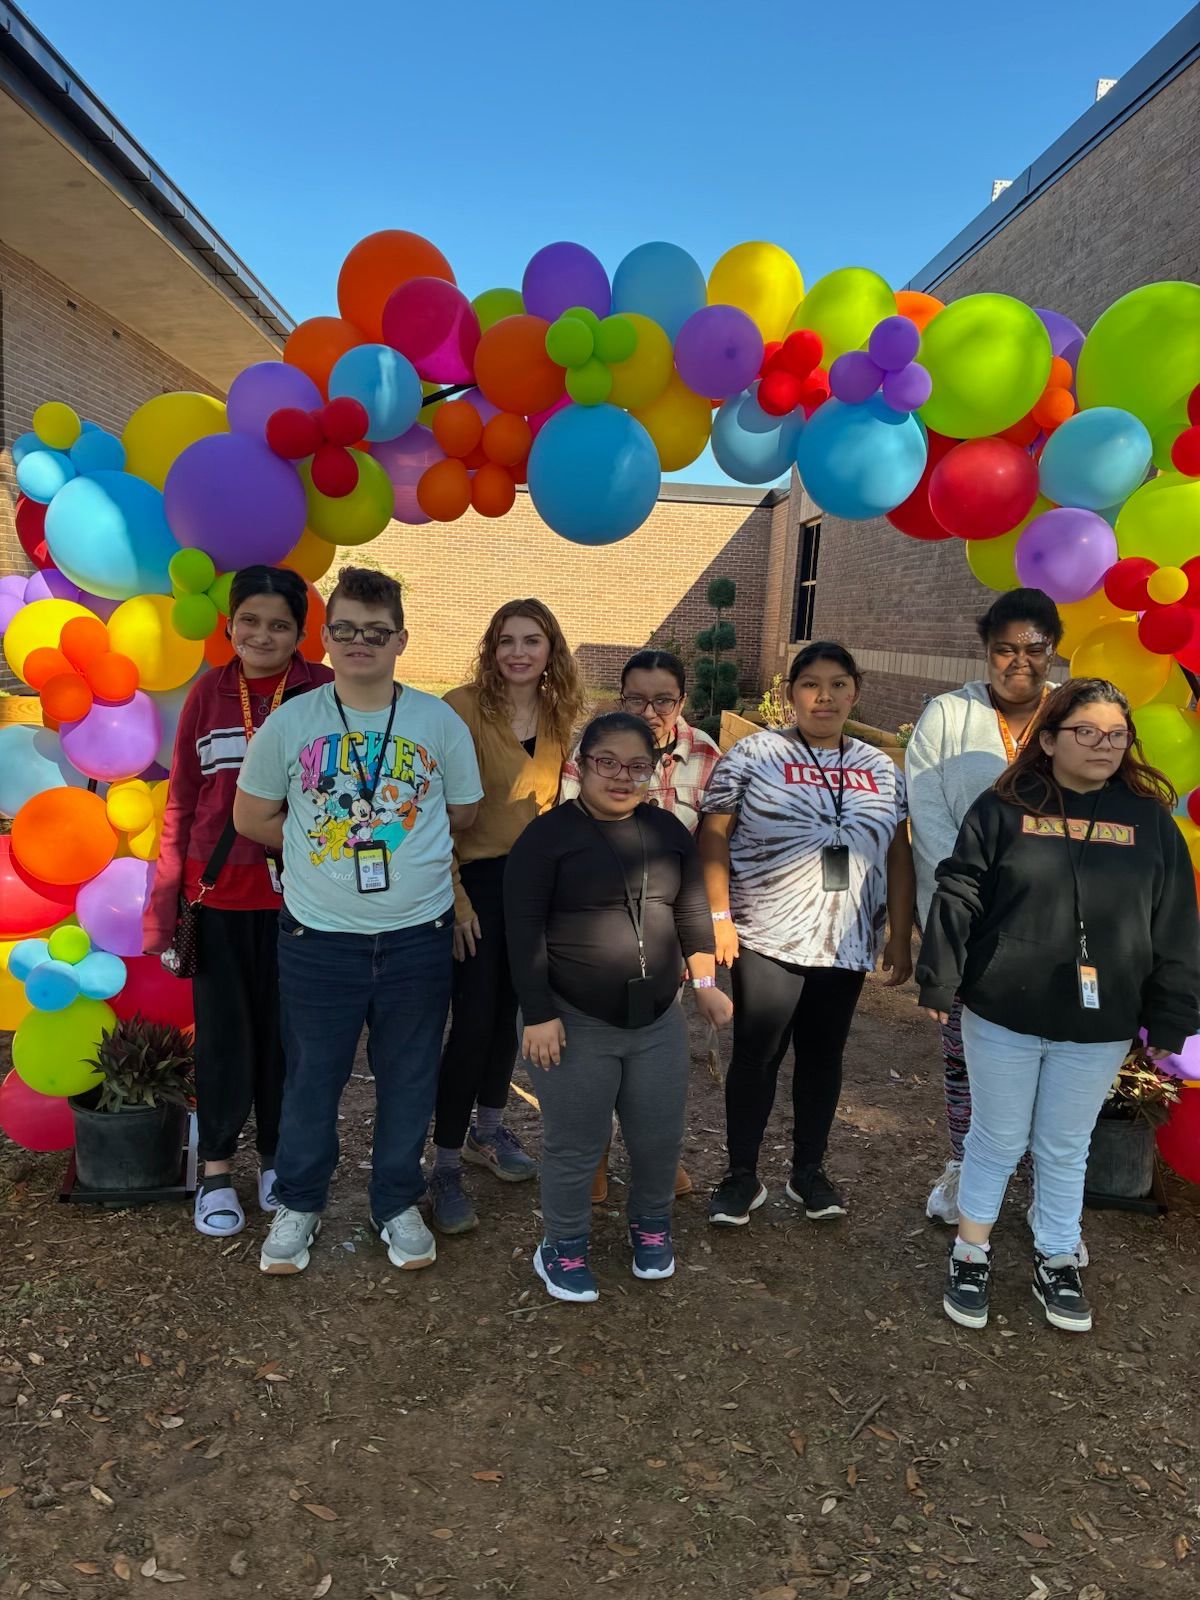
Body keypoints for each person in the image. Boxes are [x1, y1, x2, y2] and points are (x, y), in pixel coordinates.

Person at [917, 678, 1199, 1335]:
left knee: (1065, 1146)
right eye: (1086, 731)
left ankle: (1056, 1256)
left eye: (1116, 734)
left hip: (1099, 1021)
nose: (1103, 744)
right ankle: (970, 1251)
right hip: (1004, 1009)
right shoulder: (1003, 809)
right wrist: (940, 976)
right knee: (997, 1137)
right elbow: (959, 891)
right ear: (1048, 739)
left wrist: (1174, 1013)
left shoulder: (1149, 820)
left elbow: (1176, 922)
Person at [234, 566, 483, 1276]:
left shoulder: (438, 722)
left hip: (417, 939)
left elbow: (461, 813)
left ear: (401, 639)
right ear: (328, 636)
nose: (359, 643)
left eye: (376, 632)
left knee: (408, 1077)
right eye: (345, 630)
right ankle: (301, 1203)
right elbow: (252, 816)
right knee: (312, 1076)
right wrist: (320, 849)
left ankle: (395, 1201)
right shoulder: (293, 722)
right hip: (319, 941)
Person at [505, 712, 732, 1303]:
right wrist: (538, 1011)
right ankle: (563, 1243)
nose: (622, 776)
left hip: (656, 1020)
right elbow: (522, 926)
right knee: (576, 1142)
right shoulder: (547, 837)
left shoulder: (664, 830)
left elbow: (687, 910)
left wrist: (705, 981)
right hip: (572, 1018)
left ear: (654, 771)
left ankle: (651, 1225)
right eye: (608, 762)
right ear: (582, 765)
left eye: (638, 766)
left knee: (658, 1136)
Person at [143, 565, 333, 1238]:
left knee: (289, 1039)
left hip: (303, 900)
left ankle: (278, 1163)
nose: (262, 634)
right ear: (229, 625)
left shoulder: (325, 693)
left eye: (279, 623)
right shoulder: (207, 694)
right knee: (224, 1040)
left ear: (300, 634)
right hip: (218, 894)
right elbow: (181, 804)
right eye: (249, 620)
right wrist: (160, 909)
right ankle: (218, 1168)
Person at [700, 642, 914, 1228]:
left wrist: (898, 932)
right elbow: (714, 833)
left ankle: (808, 1173)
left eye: (839, 684)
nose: (826, 696)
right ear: (791, 692)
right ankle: (742, 1176)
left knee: (824, 1058)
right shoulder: (754, 755)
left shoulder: (879, 769)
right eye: (811, 684)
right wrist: (719, 915)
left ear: (855, 691)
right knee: (757, 1054)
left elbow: (898, 852)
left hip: (845, 940)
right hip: (767, 932)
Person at [905, 588, 1063, 1227]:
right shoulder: (947, 714)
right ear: (986, 651)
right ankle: (966, 1163)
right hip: (968, 918)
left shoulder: (1077, 713)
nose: (1018, 662)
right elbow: (930, 810)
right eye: (1004, 649)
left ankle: (1039, 1183)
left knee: (1050, 1054)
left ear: (1054, 650)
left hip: (1057, 922)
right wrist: (981, 895)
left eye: (1034, 649)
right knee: (965, 1051)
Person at [429, 599, 585, 1233]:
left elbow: (552, 812)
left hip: (532, 887)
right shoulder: (460, 710)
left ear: (551, 650)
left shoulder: (559, 714)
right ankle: (441, 1164)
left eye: (533, 641)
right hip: (473, 884)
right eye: (507, 641)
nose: (519, 653)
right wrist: (457, 898)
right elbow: (432, 813)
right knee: (471, 1024)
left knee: (510, 1021)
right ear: (491, 649)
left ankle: (487, 1132)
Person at [561, 647, 722, 1204]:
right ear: (619, 695)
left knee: (654, 1058)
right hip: (597, 932)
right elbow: (569, 827)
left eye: (663, 699)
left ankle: (655, 1155)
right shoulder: (590, 750)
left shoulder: (705, 754)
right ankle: (596, 1155)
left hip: (666, 930)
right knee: (597, 1054)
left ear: (682, 701)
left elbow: (711, 845)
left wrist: (708, 925)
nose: (649, 710)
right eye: (636, 698)